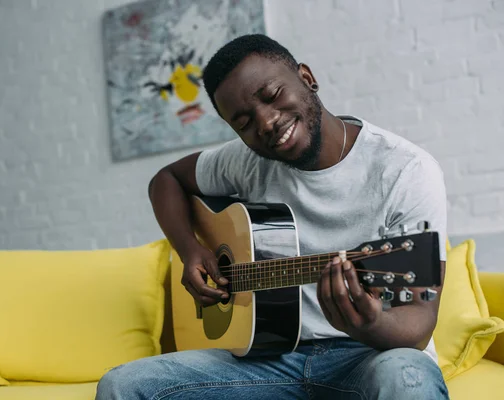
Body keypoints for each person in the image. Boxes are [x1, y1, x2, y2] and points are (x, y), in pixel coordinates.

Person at [96, 34, 450, 399]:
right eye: (244, 122)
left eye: (272, 95)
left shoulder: (405, 170)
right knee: (123, 386)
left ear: (307, 78)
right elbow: (165, 180)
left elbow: (417, 327)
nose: (265, 123)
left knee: (407, 377)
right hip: (269, 360)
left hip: (368, 358)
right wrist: (190, 251)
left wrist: (370, 322)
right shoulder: (247, 161)